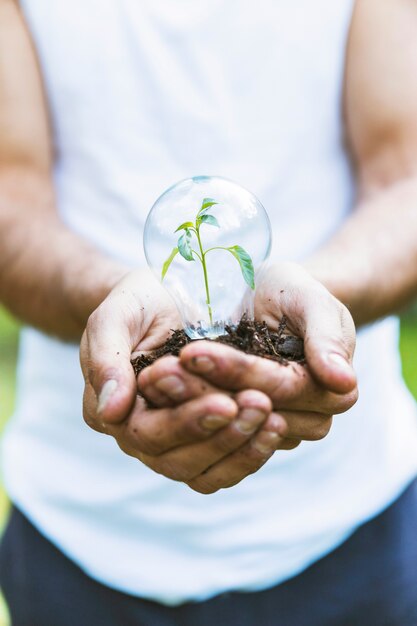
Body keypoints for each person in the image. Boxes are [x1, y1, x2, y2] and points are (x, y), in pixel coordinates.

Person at [0, 0, 416, 624]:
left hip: (348, 519)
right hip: (80, 530)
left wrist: (317, 298)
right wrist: (109, 300)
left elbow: (405, 178)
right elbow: (11, 198)